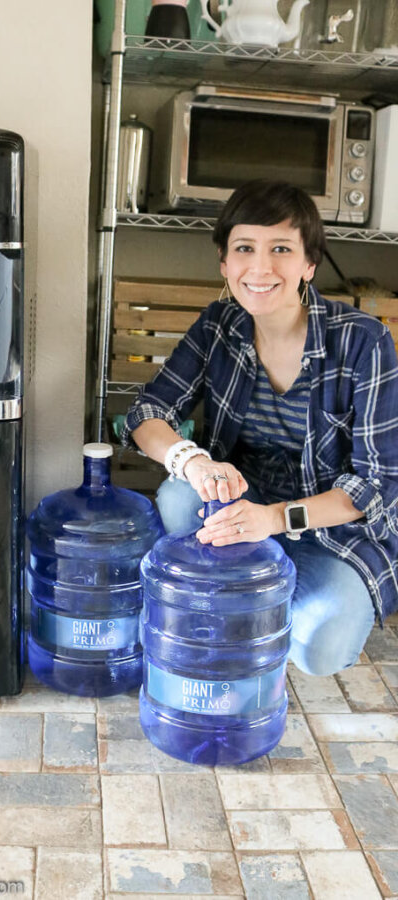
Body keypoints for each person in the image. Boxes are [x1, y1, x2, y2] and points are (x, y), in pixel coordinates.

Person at [121, 179, 398, 677]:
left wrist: (275, 519)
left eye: (282, 249)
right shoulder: (218, 325)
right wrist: (193, 461)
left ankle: (252, 598)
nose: (261, 267)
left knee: (320, 651)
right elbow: (147, 413)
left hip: (332, 526)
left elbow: (375, 485)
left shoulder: (364, 341)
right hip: (244, 507)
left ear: (309, 264)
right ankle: (246, 593)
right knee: (180, 495)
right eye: (245, 248)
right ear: (224, 263)